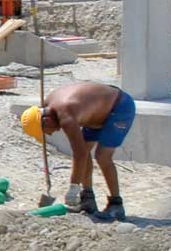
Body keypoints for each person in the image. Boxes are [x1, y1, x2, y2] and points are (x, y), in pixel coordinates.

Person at [20, 81, 136, 221]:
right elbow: (82, 152)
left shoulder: (66, 116)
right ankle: (88, 199)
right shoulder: (48, 105)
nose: (50, 134)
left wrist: (73, 187)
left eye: (46, 131)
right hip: (96, 113)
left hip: (119, 106)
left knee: (102, 156)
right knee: (86, 149)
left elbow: (79, 154)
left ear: (46, 120)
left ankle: (116, 205)